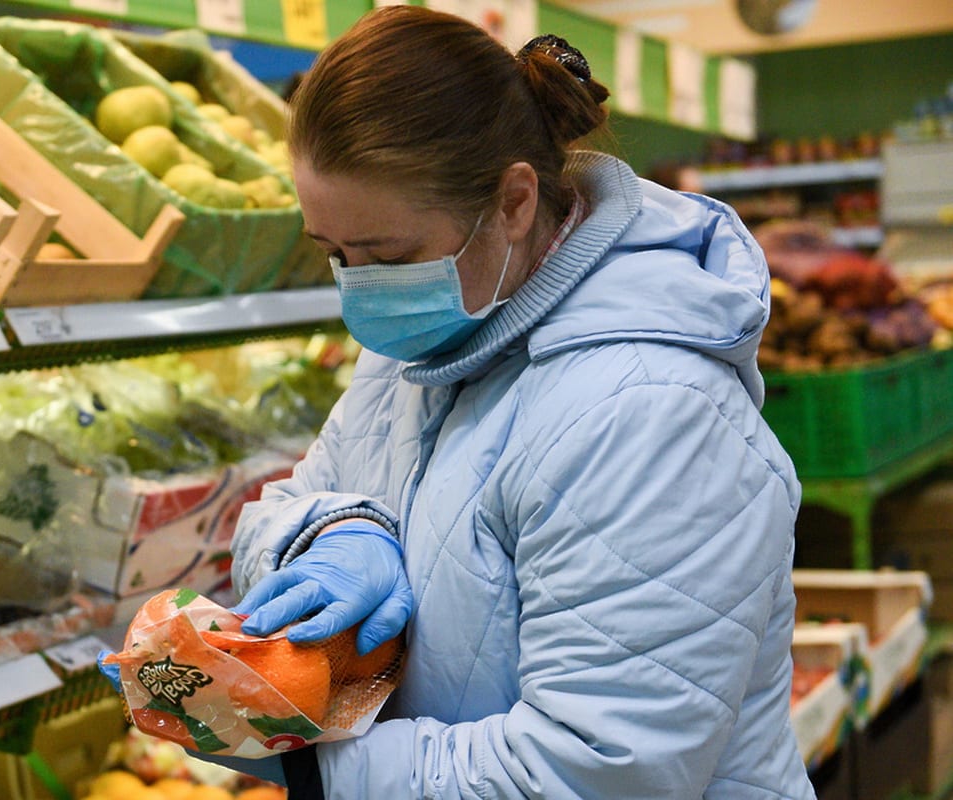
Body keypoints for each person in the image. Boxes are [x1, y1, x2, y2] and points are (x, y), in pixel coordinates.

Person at [104, 6, 813, 798]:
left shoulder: (651, 415)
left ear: (514, 203)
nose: (362, 290)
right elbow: (287, 501)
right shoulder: (424, 346)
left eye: (388, 256)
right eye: (335, 254)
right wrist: (337, 530)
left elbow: (596, 771)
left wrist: (310, 767)